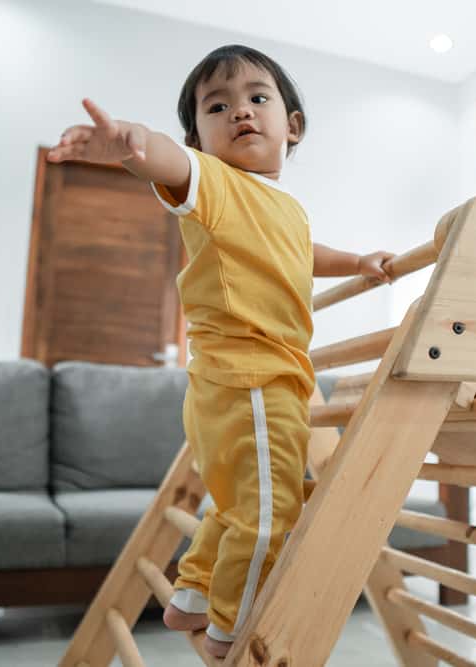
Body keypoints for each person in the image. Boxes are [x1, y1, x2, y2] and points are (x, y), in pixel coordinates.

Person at [48, 44, 394, 658]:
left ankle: (193, 597)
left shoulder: (282, 205)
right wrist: (130, 144)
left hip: (262, 379)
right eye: (218, 106)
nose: (241, 112)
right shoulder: (214, 183)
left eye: (258, 98)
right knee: (272, 515)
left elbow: (304, 253)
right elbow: (164, 160)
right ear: (198, 139)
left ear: (292, 126)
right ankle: (233, 628)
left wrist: (358, 263)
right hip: (249, 376)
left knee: (242, 503)